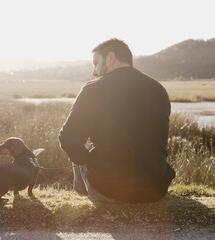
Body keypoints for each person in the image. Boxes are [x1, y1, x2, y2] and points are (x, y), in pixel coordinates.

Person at [58, 38, 176, 203]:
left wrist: (89, 160)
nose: (94, 71)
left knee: (82, 143)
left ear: (111, 58)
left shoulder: (93, 89)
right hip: (155, 191)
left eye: (96, 62)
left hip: (109, 192)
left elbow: (67, 138)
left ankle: (82, 192)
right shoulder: (158, 89)